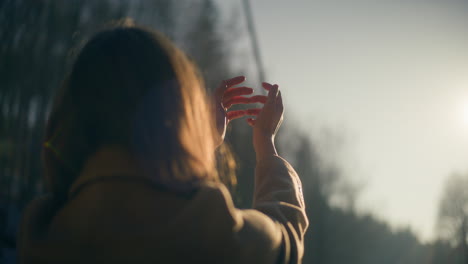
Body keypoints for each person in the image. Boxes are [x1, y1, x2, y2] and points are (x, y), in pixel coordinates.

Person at [17, 20, 308, 264]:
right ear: (174, 115)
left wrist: (203, 140)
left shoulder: (40, 233)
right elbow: (285, 236)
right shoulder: (210, 230)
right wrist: (265, 143)